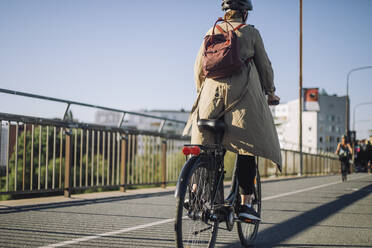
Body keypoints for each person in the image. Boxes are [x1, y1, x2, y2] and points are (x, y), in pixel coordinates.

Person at [183, 0, 281, 221]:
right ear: (244, 14)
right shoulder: (250, 32)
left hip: (210, 98)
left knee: (205, 145)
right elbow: (265, 67)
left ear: (225, 13)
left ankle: (197, 191)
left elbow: (198, 67)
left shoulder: (211, 31)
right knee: (247, 146)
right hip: (242, 99)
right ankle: (245, 204)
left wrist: (203, 91)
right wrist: (271, 91)